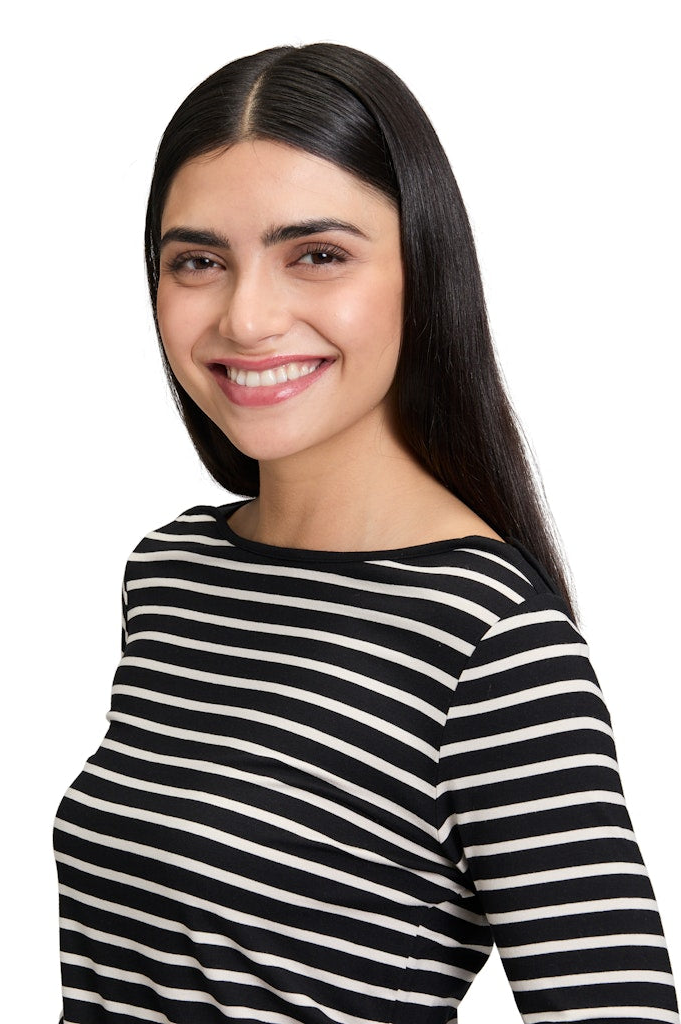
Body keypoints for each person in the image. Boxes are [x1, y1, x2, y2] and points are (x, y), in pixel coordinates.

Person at [54, 43, 679, 1024]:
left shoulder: (487, 641)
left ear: (423, 270)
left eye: (317, 254)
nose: (246, 318)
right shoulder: (173, 574)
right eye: (198, 261)